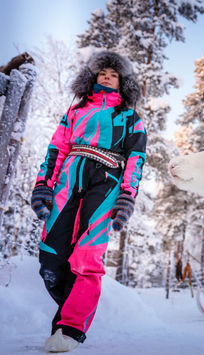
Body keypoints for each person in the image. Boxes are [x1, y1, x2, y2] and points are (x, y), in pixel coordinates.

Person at [30, 51, 147, 352]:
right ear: (92, 78)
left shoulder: (130, 118)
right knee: (51, 255)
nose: (107, 77)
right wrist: (43, 185)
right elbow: (56, 149)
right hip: (69, 175)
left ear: (123, 84)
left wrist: (127, 197)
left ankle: (69, 329)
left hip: (107, 182)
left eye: (114, 75)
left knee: (87, 255)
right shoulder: (74, 112)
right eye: (102, 73)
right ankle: (70, 309)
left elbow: (136, 158)